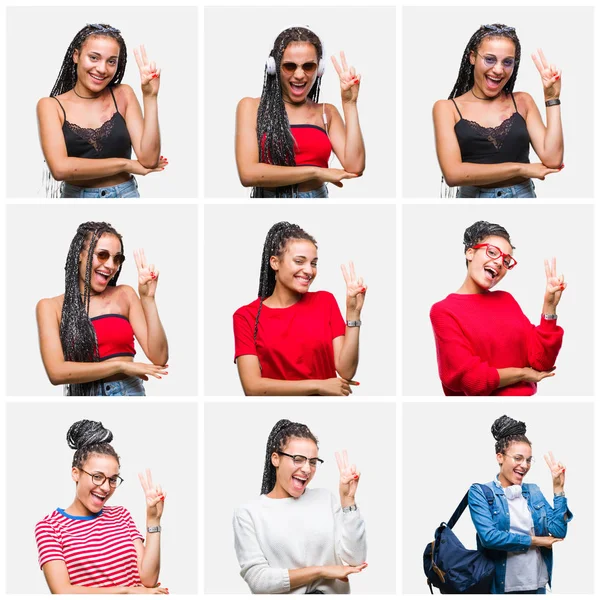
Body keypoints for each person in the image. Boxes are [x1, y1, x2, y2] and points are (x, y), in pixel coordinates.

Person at [430, 221, 564, 396]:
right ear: (470, 252)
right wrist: (522, 374)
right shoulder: (444, 311)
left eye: (506, 261)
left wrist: (549, 307)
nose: (500, 262)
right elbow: (470, 379)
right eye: (492, 252)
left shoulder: (506, 300)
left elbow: (541, 362)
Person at [233, 419, 367, 594]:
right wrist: (321, 571)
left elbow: (356, 559)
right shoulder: (249, 514)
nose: (307, 469)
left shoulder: (325, 499)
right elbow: (258, 580)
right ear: (275, 459)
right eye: (298, 459)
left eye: (312, 462)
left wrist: (348, 500)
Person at [35, 419, 168, 594]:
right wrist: (128, 592)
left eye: (113, 479)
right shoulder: (50, 528)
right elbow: (62, 591)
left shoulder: (121, 515)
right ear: (76, 473)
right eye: (97, 476)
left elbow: (149, 580)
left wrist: (153, 520)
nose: (106, 487)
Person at [233, 221, 366, 396]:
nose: (309, 270)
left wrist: (353, 313)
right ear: (275, 262)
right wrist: (319, 386)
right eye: (299, 261)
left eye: (314, 263)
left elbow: (346, 371)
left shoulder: (325, 301)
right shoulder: (246, 316)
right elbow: (253, 387)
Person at [36, 221, 168, 396]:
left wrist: (148, 299)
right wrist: (119, 365)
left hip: (126, 392)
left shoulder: (125, 295)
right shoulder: (50, 307)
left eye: (117, 259)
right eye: (102, 255)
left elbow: (159, 357)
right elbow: (56, 372)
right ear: (79, 255)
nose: (111, 265)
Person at [433, 24, 563, 198]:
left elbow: (553, 159)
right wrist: (521, 168)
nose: (499, 70)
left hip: (523, 196)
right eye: (490, 59)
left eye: (507, 62)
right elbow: (453, 174)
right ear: (472, 57)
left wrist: (551, 98)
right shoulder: (447, 109)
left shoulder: (523, 101)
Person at [37, 24, 167, 198]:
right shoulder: (50, 106)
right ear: (76, 56)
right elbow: (60, 169)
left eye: (111, 61)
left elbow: (149, 160)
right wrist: (125, 164)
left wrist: (150, 96)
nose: (102, 69)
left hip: (126, 195)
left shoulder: (124, 94)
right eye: (94, 58)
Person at [235, 26, 365, 198]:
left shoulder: (326, 113)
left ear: (319, 69)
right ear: (274, 67)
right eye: (289, 66)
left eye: (308, 66)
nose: (299, 74)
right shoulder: (251, 107)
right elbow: (248, 174)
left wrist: (350, 104)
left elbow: (354, 166)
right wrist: (316, 172)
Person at [468, 415, 572, 594]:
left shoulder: (533, 491)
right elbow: (489, 538)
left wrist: (558, 489)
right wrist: (535, 540)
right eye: (518, 458)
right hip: (501, 588)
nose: (524, 465)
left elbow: (558, 531)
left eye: (529, 460)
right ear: (500, 457)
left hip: (537, 586)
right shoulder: (480, 492)